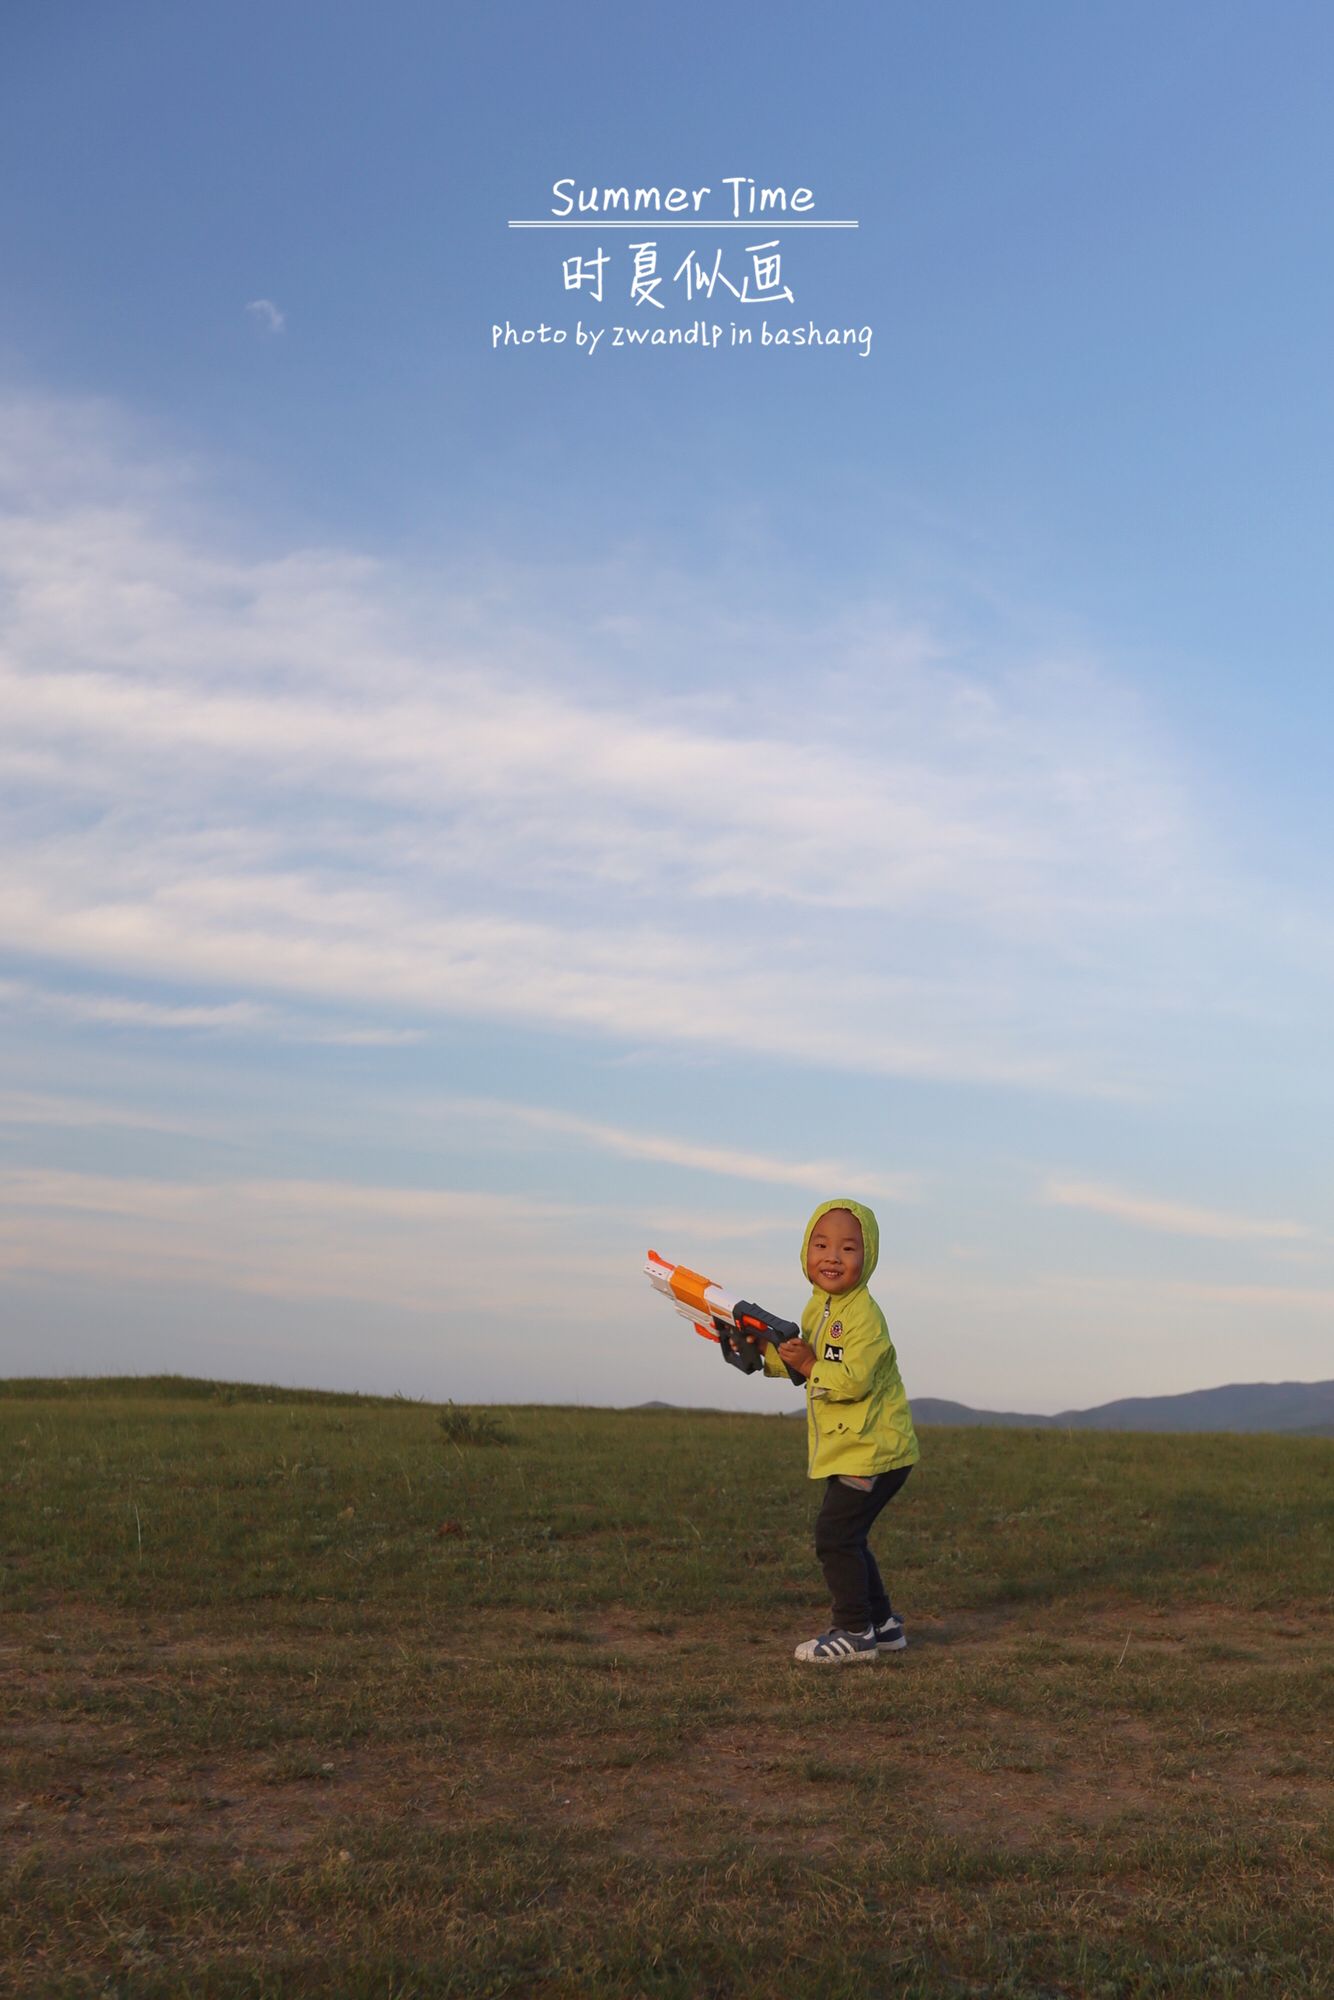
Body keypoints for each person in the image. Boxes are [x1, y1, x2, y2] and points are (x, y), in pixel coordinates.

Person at [758, 1197, 919, 1664]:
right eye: (821, 1244)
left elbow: (850, 1379)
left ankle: (854, 1632)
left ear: (867, 1260)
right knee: (849, 1535)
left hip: (873, 1450)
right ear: (805, 1251)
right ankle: (883, 1625)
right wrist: (756, 1354)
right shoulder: (819, 1308)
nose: (832, 1256)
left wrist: (807, 1363)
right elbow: (802, 1361)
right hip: (855, 1447)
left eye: (848, 1248)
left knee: (835, 1536)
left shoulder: (864, 1315)